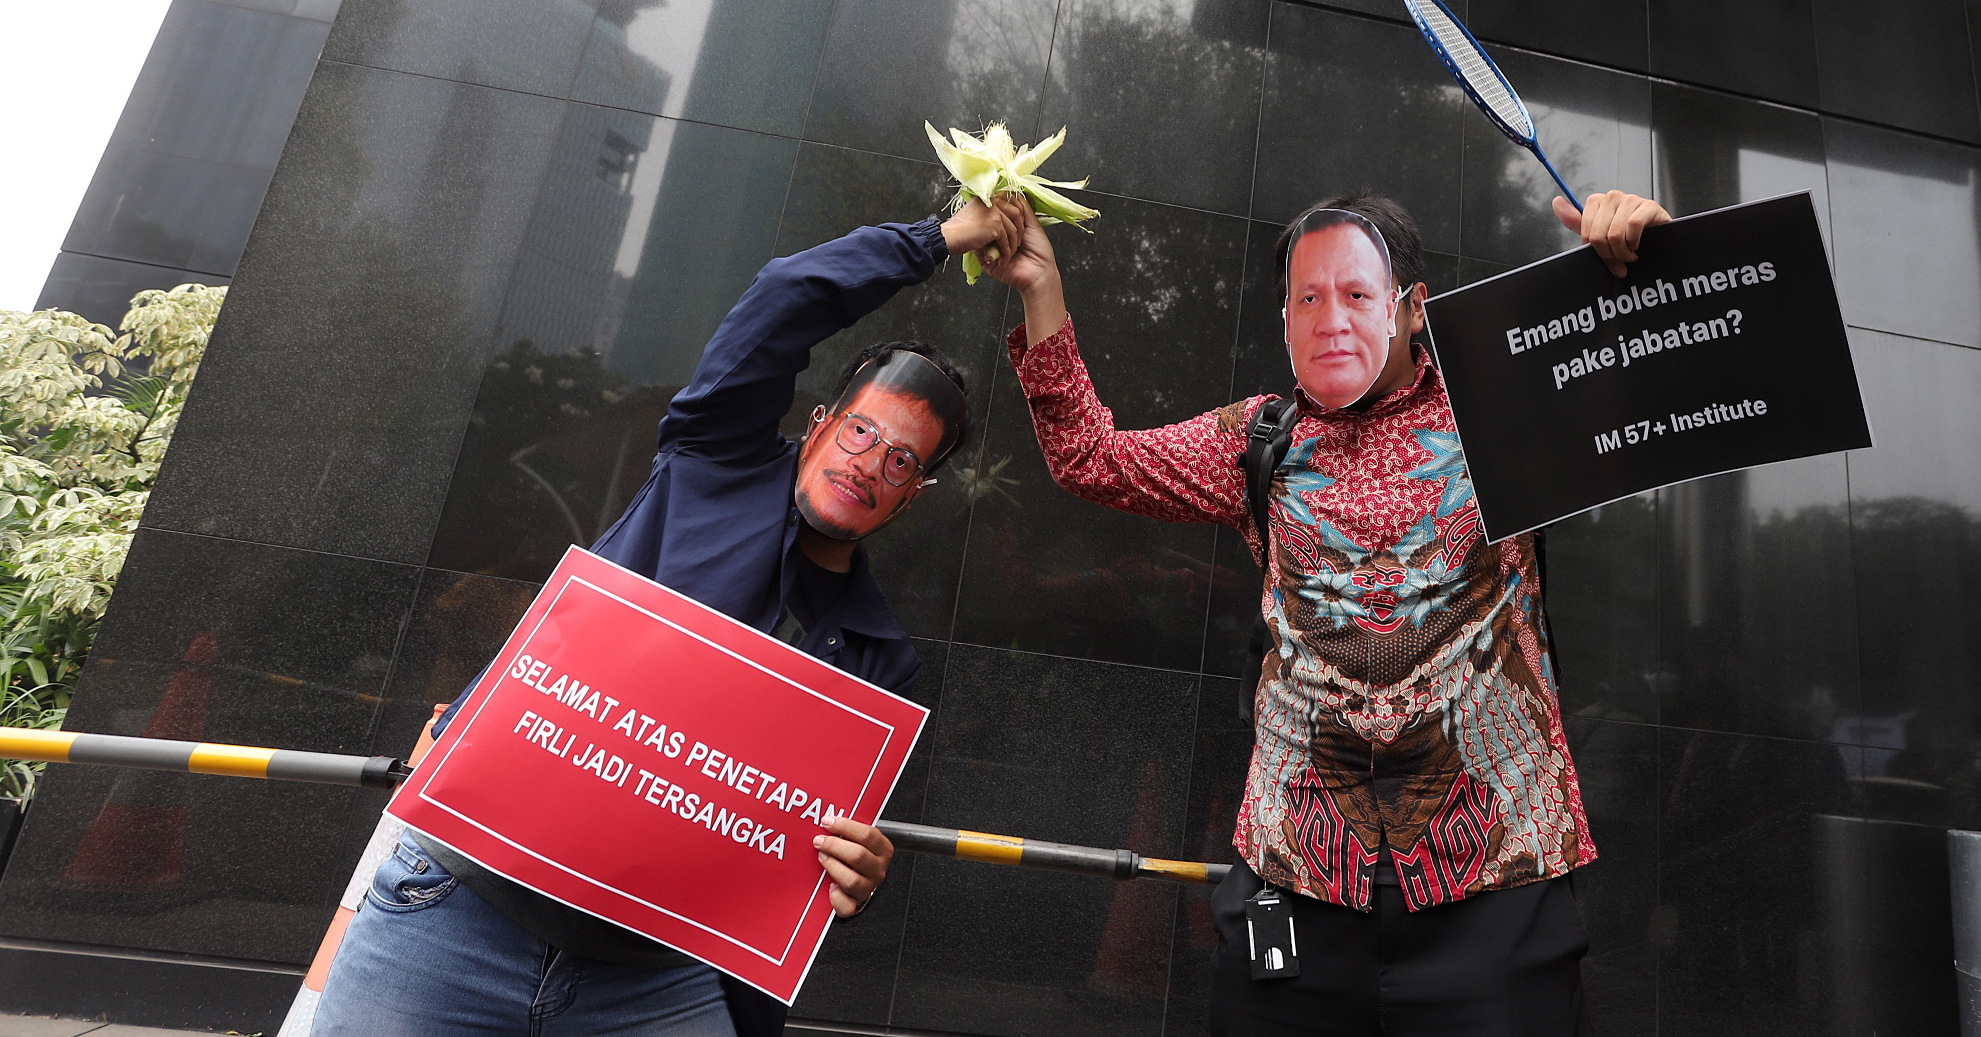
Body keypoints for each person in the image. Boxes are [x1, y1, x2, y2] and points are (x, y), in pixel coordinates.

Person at [315, 197, 1019, 1037]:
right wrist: (937, 238)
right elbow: (786, 296)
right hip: (462, 908)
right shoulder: (711, 461)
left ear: (912, 497)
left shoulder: (877, 662)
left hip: (654, 983)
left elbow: (800, 858)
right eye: (861, 431)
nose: (869, 463)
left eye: (900, 459)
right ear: (817, 425)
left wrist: (853, 874)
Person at [980, 187, 1669, 1037]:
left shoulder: (1504, 413)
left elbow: (1666, 385)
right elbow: (1090, 456)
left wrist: (1646, 265)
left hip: (1496, 886)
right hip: (1295, 884)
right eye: (1307, 297)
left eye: (1356, 293)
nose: (1330, 318)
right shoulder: (1257, 440)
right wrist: (1040, 287)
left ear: (1413, 309)